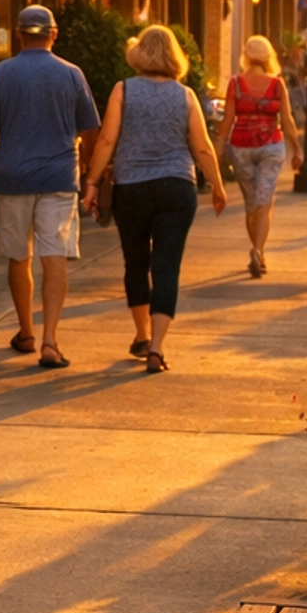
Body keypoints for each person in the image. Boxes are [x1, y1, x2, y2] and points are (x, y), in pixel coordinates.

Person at [84, 26, 228, 374]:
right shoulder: (186, 95)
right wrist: (218, 186)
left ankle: (141, 334)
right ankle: (158, 349)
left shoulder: (124, 90)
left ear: (139, 54)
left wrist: (91, 182)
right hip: (176, 187)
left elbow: (106, 140)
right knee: (167, 265)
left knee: (136, 262)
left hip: (131, 188)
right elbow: (202, 146)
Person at [0, 4, 100, 371]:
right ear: (53, 35)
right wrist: (93, 174)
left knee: (19, 255)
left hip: (12, 177)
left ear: (18, 34)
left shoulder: (1, 74)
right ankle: (50, 341)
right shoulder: (72, 74)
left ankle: (26, 331)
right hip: (59, 178)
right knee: (54, 254)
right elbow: (91, 131)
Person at [216, 36, 302, 278]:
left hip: (241, 147)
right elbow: (287, 120)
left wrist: (220, 148)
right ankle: (257, 251)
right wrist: (297, 148)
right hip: (271, 146)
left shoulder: (236, 84)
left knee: (251, 204)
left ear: (246, 56)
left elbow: (228, 119)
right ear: (268, 57)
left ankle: (257, 249)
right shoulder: (277, 85)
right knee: (265, 202)